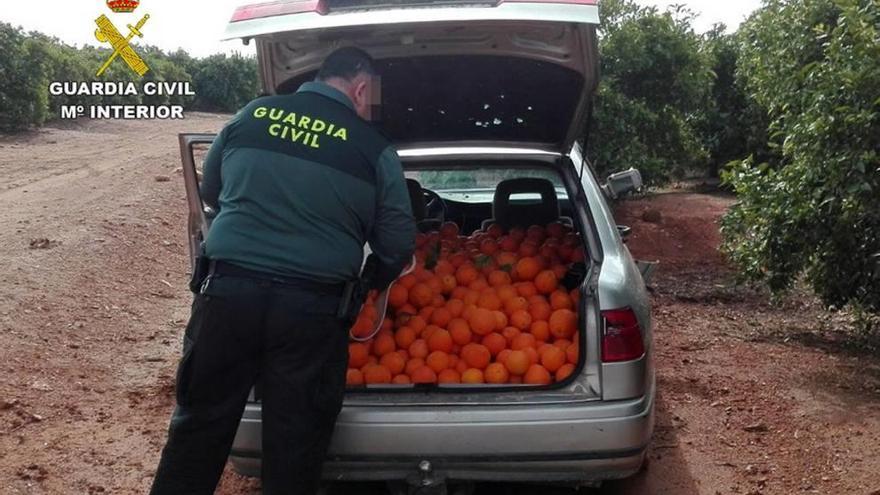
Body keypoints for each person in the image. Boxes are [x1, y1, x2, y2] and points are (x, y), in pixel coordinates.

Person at [150, 47, 416, 495]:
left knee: (199, 427)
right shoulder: (373, 147)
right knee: (295, 441)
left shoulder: (251, 116)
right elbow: (396, 244)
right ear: (362, 87)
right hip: (310, 312)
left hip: (227, 297)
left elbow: (214, 190)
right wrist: (373, 280)